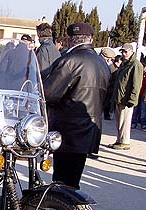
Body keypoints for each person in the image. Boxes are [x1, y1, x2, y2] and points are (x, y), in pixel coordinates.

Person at [42, 22, 110, 189]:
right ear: (91, 39)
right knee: (73, 180)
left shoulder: (70, 60)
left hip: (68, 129)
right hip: (90, 127)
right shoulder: (102, 63)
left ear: (70, 40)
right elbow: (107, 97)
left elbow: (49, 93)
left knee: (61, 182)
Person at [108, 43, 143, 150]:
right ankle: (119, 140)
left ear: (131, 52)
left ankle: (125, 141)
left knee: (126, 121)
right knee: (120, 121)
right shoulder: (125, 64)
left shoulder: (136, 65)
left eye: (125, 52)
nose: (123, 54)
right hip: (120, 97)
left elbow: (136, 84)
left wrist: (132, 99)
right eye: (122, 52)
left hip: (126, 99)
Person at [104, 55, 122, 120]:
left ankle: (111, 113)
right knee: (108, 101)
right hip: (110, 87)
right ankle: (106, 114)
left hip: (115, 88)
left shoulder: (120, 68)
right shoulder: (111, 68)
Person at [131, 64, 146, 129]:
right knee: (135, 109)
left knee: (143, 110)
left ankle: (143, 124)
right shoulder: (139, 73)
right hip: (137, 93)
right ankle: (134, 123)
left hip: (143, 94)